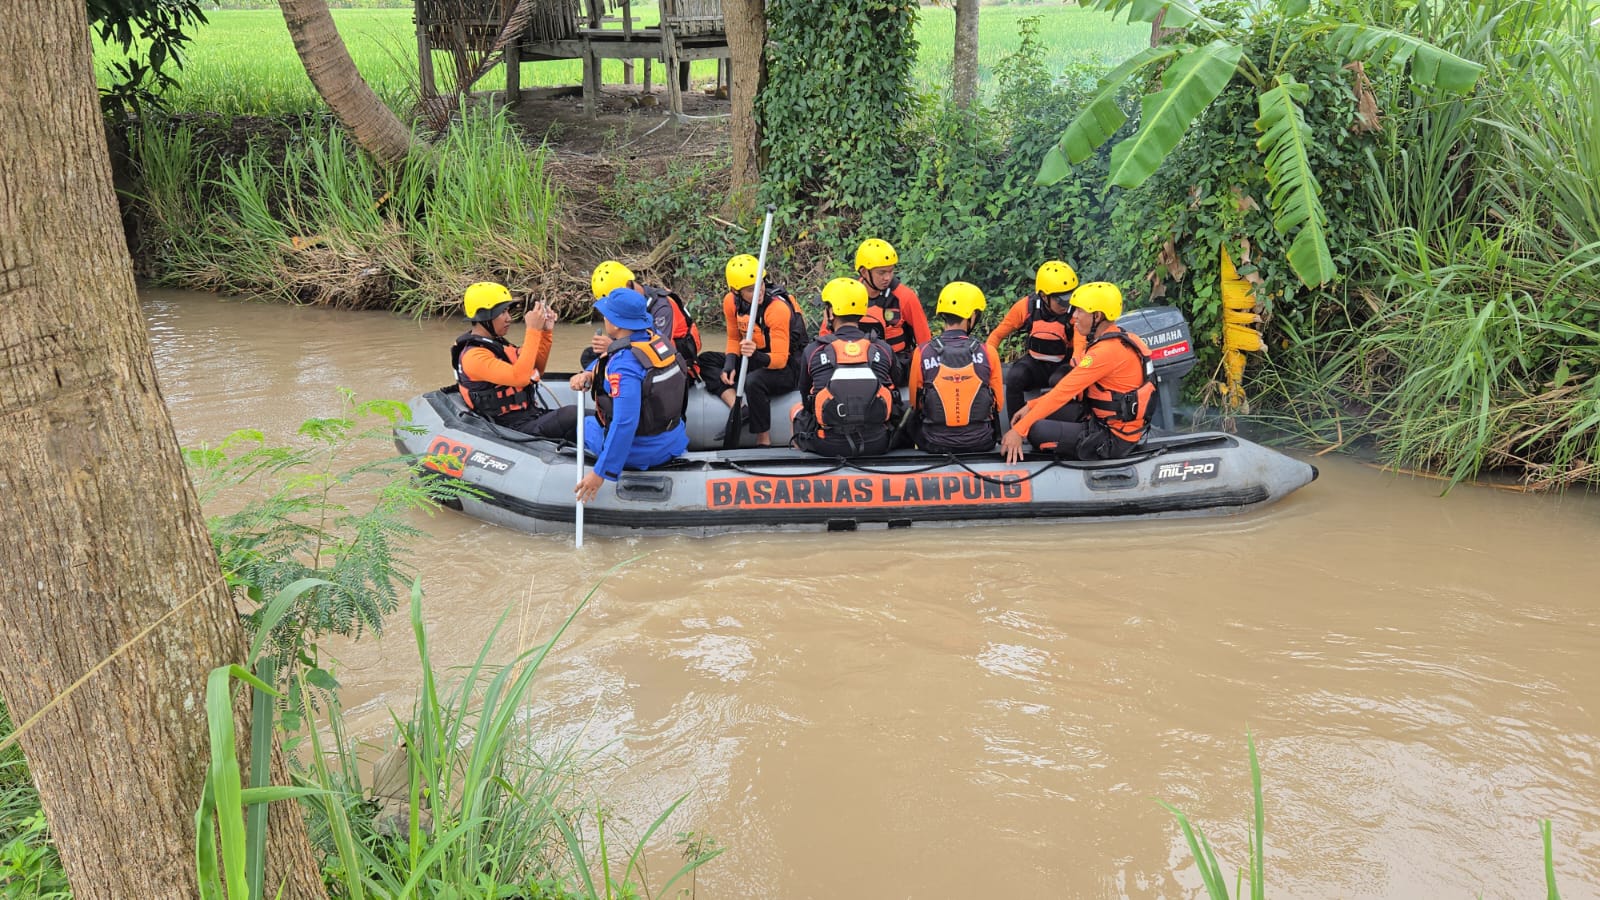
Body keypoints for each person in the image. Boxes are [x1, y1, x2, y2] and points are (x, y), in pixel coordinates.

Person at [1001, 282, 1157, 463]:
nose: (1074, 317)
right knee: (1038, 414)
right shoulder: (1118, 338)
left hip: (1114, 437)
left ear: (1097, 316)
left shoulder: (1105, 352)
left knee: (1036, 430)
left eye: (1080, 311)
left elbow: (1063, 391)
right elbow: (1067, 392)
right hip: (1099, 418)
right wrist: (1031, 406)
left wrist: (1019, 430)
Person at [570, 287, 690, 503]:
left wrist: (600, 474)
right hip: (674, 440)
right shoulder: (656, 339)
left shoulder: (624, 366)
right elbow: (614, 354)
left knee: (583, 424)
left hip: (644, 451)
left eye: (606, 316)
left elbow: (625, 422)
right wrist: (589, 372)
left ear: (615, 324)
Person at [451, 281, 577, 440]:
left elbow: (536, 370)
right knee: (573, 414)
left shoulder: (499, 345)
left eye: (508, 312)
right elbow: (521, 378)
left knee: (586, 418)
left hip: (530, 416)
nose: (509, 318)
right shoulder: (473, 356)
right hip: (509, 428)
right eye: (502, 312)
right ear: (484, 316)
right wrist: (532, 330)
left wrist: (545, 332)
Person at [791, 278, 897, 457]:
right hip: (877, 443)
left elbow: (806, 398)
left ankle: (800, 471)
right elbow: (895, 386)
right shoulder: (882, 348)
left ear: (831, 312)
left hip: (828, 445)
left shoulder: (813, 350)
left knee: (795, 409)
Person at [715, 253, 809, 448]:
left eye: (761, 285)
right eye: (751, 290)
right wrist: (730, 362)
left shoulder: (776, 309)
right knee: (708, 361)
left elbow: (780, 359)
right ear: (735, 291)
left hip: (787, 365)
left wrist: (755, 355)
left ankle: (763, 438)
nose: (758, 292)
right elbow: (733, 338)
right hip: (756, 356)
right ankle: (739, 408)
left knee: (754, 381)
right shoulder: (730, 302)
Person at [908, 282, 1004, 454]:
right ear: (972, 315)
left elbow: (915, 403)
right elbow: (999, 405)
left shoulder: (922, 352)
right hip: (981, 442)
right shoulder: (988, 352)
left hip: (934, 443)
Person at [821, 238, 931, 387]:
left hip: (896, 369)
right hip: (853, 366)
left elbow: (925, 343)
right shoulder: (845, 294)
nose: (887, 277)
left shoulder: (905, 297)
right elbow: (824, 338)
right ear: (864, 271)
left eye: (891, 271)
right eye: (881, 272)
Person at [985, 260, 1086, 421]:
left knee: (1058, 381)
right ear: (1044, 296)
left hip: (1063, 364)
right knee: (1015, 377)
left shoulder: (1075, 312)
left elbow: (1079, 349)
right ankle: (1016, 427)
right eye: (1061, 299)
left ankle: (1055, 426)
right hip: (1035, 363)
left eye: (1070, 297)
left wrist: (1077, 372)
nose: (1067, 304)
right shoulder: (1027, 307)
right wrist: (988, 362)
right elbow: (997, 335)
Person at [586, 260, 706, 379]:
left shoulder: (662, 307)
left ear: (629, 285)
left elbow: (660, 350)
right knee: (589, 355)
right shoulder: (626, 308)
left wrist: (613, 347)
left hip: (670, 365)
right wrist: (588, 372)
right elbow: (620, 339)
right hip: (639, 352)